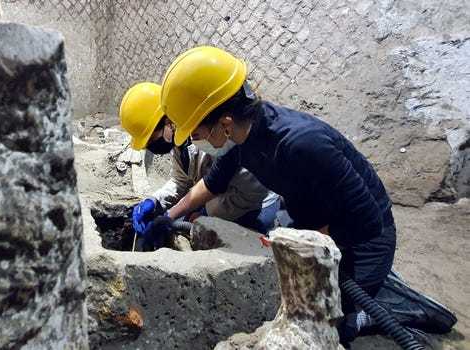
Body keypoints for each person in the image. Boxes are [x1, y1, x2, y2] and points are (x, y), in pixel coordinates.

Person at [158, 46, 454, 345]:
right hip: (316, 221)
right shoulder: (243, 137)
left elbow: (368, 221)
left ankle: (392, 308)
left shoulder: (302, 144)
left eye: (197, 132)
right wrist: (168, 216)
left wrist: (300, 242)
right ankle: (370, 286)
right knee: (285, 293)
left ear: (224, 122)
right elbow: (212, 183)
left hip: (364, 240)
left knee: (323, 326)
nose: (196, 140)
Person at [118, 82, 279, 250]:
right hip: (216, 197)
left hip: (253, 206)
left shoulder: (217, 136)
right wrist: (155, 200)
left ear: (168, 121)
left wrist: (205, 214)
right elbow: (181, 181)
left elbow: (250, 194)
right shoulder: (179, 142)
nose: (152, 146)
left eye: (152, 139)